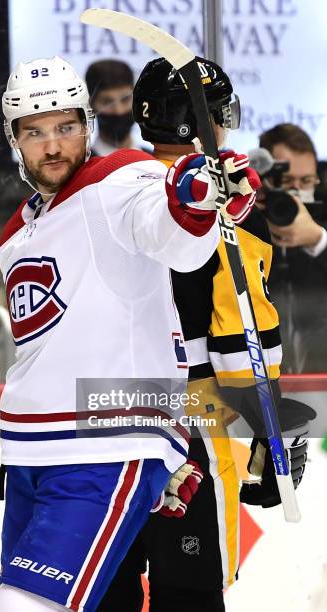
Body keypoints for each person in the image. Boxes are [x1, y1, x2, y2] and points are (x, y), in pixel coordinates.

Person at [0, 55, 257, 612]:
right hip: (32, 457)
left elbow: (172, 236)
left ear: (87, 125)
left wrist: (195, 200)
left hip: (100, 454)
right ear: (14, 140)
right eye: (35, 132)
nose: (54, 145)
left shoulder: (120, 177)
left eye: (66, 126)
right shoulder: (16, 232)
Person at [98, 58, 316, 612]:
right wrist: (269, 430)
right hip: (192, 421)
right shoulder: (229, 208)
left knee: (107, 590)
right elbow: (240, 335)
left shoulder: (104, 196)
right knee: (187, 596)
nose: (224, 128)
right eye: (219, 115)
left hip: (103, 418)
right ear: (197, 123)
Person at [258, 123, 327, 372]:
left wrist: (317, 240)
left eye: (306, 181)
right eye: (286, 181)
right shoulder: (242, 222)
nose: (297, 192)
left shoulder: (323, 219)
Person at [85, 59, 140, 155]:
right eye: (107, 102)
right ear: (91, 105)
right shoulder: (81, 168)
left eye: (125, 99)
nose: (119, 110)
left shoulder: (158, 163)